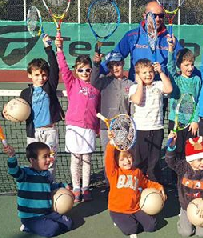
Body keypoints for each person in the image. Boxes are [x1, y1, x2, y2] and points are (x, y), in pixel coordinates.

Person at [55, 36, 101, 203]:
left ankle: (85, 188)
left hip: (89, 129)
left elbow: (98, 110)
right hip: (74, 128)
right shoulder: (72, 83)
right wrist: (59, 49)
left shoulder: (96, 89)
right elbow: (63, 67)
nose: (84, 73)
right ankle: (76, 188)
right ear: (76, 71)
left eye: (87, 70)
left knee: (87, 160)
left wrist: (97, 128)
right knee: (76, 159)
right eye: (81, 70)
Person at [12, 34, 64, 164]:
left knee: (50, 163)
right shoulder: (25, 93)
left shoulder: (49, 87)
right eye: (36, 75)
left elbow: (54, 67)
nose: (41, 78)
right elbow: (18, 110)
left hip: (50, 132)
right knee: (34, 163)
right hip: (33, 133)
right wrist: (6, 113)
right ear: (30, 75)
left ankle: (49, 178)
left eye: (44, 75)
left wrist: (48, 48)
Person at [100, 1, 184, 81]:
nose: (157, 19)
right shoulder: (132, 36)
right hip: (137, 87)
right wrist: (97, 71)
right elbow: (114, 57)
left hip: (160, 88)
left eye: (161, 15)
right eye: (153, 15)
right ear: (144, 16)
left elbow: (184, 61)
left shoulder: (170, 39)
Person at [3, 141, 72, 238]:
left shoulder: (46, 174)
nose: (49, 159)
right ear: (33, 160)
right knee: (53, 228)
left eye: (49, 156)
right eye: (45, 157)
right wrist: (12, 156)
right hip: (31, 218)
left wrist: (63, 185)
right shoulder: (25, 174)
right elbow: (14, 171)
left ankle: (46, 223)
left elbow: (49, 187)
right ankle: (27, 227)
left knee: (68, 223)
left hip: (47, 213)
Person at [104, 142, 165, 236]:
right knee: (131, 229)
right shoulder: (114, 173)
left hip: (135, 209)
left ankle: (132, 221)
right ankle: (120, 220)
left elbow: (146, 183)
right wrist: (111, 144)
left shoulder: (137, 172)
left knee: (151, 226)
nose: (126, 161)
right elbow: (108, 159)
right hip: (118, 210)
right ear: (117, 161)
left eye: (129, 157)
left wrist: (158, 187)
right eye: (122, 159)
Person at [165, 136, 203, 237]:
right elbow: (170, 161)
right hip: (186, 205)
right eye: (199, 160)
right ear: (190, 161)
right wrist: (171, 148)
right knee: (186, 232)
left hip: (202, 205)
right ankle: (183, 218)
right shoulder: (183, 167)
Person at [129, 58, 173, 184]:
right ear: (138, 75)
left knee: (154, 161)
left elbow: (169, 89)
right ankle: (138, 185)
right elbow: (138, 100)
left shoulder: (158, 85)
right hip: (141, 129)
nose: (148, 75)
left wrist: (161, 72)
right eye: (144, 73)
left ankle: (154, 186)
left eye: (150, 72)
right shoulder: (134, 88)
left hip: (157, 129)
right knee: (139, 160)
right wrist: (140, 83)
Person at [91, 41, 134, 150]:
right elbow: (93, 82)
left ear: (123, 63)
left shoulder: (131, 84)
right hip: (106, 127)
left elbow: (132, 108)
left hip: (123, 127)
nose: (115, 68)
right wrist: (96, 64)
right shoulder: (104, 81)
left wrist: (131, 127)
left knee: (122, 155)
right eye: (111, 66)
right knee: (108, 155)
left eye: (118, 64)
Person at [164, 34, 202, 155]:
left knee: (190, 152)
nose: (190, 68)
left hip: (190, 123)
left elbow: (198, 101)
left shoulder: (196, 80)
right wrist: (171, 49)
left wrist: (195, 120)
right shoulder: (176, 79)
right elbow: (170, 66)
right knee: (175, 151)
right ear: (179, 65)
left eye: (192, 64)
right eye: (186, 65)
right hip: (175, 121)